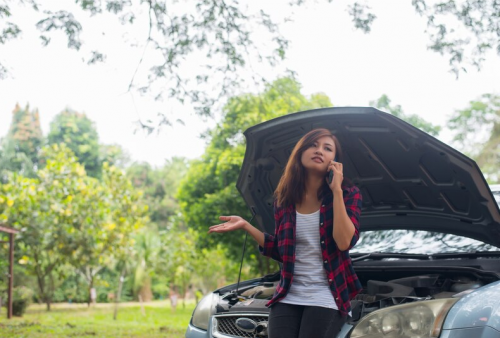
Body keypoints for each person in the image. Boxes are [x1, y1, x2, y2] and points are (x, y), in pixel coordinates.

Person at [209, 128, 363, 338]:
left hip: (328, 295)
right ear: (300, 152)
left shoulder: (348, 194)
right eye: (313, 145)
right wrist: (246, 225)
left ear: (334, 161)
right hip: (289, 294)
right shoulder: (284, 199)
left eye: (327, 148)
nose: (319, 151)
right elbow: (282, 250)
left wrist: (336, 190)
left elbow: (344, 242)